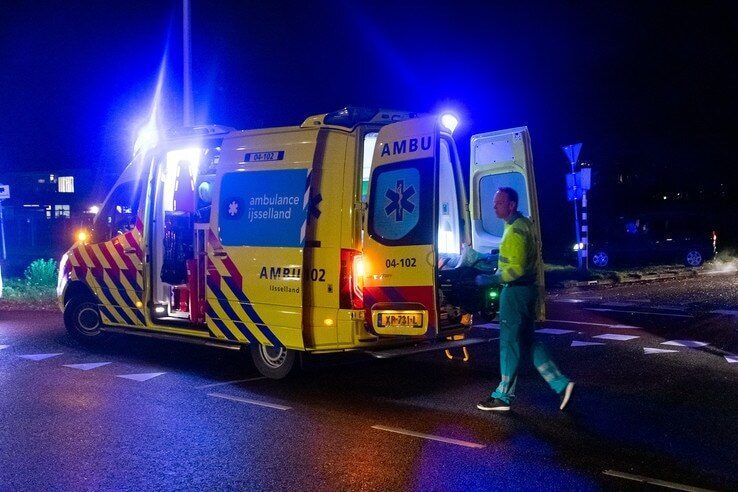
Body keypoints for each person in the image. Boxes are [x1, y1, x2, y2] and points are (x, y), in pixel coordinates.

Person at [476, 187, 574, 412]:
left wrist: (491, 279)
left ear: (511, 205)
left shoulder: (517, 230)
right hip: (527, 291)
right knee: (529, 341)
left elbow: (517, 269)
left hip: (515, 292)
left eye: (499, 202)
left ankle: (503, 396)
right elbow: (513, 257)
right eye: (495, 202)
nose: (494, 206)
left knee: (509, 344)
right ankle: (561, 383)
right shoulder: (519, 225)